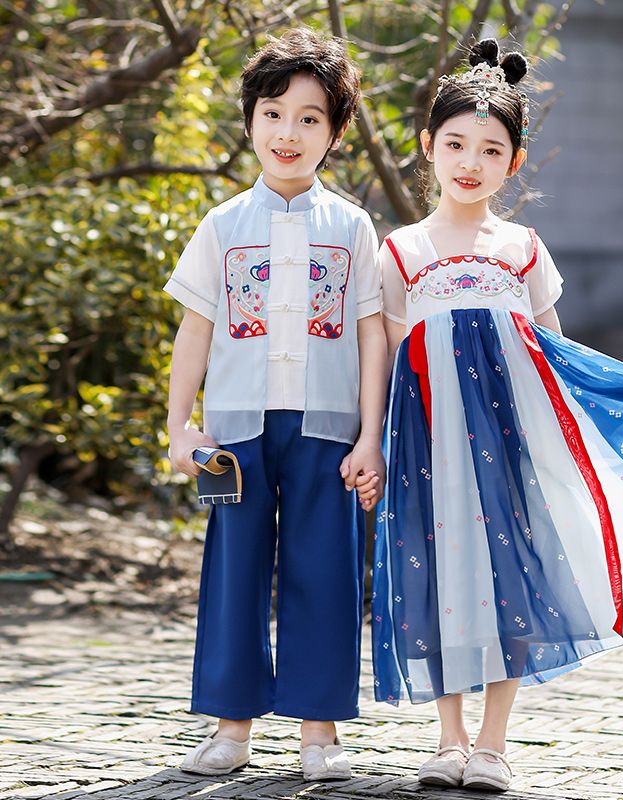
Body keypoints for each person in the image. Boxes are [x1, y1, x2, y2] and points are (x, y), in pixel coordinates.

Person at [365, 38, 623, 793]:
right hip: (429, 445)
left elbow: (559, 354)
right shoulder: (401, 252)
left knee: (513, 579)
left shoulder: (522, 248)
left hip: (511, 439)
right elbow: (388, 357)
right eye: (455, 143)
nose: (470, 161)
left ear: (513, 162)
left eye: (490, 149)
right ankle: (448, 739)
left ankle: (493, 743)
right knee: (442, 579)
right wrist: (374, 442)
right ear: (427, 147)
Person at [164, 28, 386, 780]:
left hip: (329, 431)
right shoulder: (223, 225)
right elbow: (196, 330)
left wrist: (372, 438)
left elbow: (370, 337)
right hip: (235, 431)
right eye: (273, 113)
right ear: (250, 119)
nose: (288, 133)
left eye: (310, 118)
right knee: (233, 574)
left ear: (335, 132)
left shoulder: (352, 227)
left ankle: (318, 735)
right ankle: (232, 729)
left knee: (325, 575)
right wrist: (178, 428)